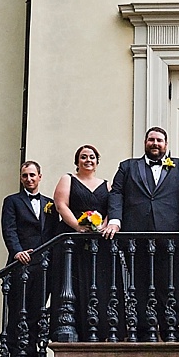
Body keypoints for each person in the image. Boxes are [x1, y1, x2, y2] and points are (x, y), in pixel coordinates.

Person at [105, 128, 179, 341]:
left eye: (159, 140)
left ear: (166, 144)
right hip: (136, 240)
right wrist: (114, 221)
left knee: (170, 287)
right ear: (145, 142)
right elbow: (117, 194)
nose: (155, 143)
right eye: (151, 140)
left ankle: (170, 331)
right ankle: (141, 331)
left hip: (171, 240)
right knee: (138, 288)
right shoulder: (128, 166)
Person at [53, 145, 113, 339]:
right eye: (83, 157)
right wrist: (78, 227)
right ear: (77, 161)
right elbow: (61, 205)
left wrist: (102, 226)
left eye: (92, 157)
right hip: (73, 241)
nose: (88, 160)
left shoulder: (106, 184)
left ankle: (100, 330)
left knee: (98, 284)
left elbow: (112, 209)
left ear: (97, 161)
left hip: (99, 243)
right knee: (72, 284)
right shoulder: (68, 179)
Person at [1, 158, 55, 357]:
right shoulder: (12, 201)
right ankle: (16, 355)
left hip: (42, 267)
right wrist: (17, 252)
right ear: (21, 178)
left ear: (39, 177)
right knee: (17, 311)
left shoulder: (49, 203)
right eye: (25, 175)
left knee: (37, 311)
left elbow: (51, 232)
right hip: (20, 266)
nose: (29, 179)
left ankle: (34, 355)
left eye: (32, 175)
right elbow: (9, 229)